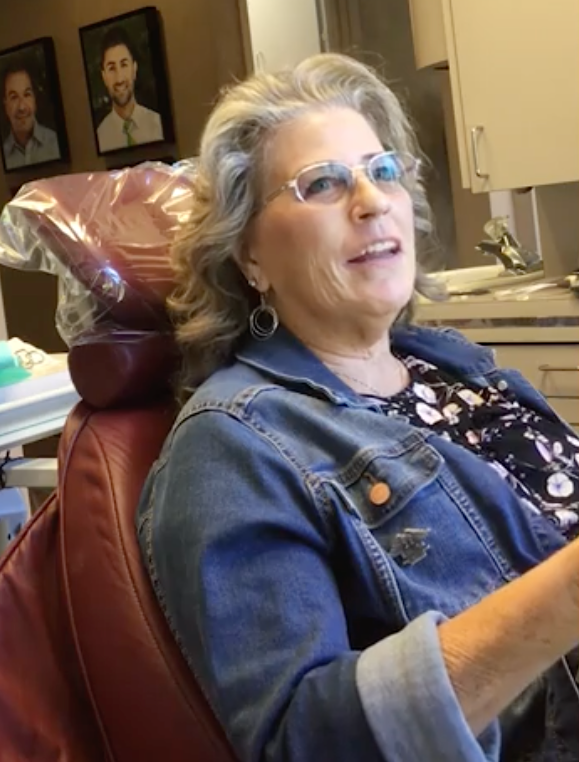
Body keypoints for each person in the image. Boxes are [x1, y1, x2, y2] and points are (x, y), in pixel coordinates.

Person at [137, 54, 579, 761]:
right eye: (322, 183)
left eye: (382, 172)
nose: (372, 201)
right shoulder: (230, 447)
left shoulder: (453, 363)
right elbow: (305, 743)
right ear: (249, 253)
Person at [96, 26, 164, 152]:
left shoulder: (158, 125)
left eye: (124, 65)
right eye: (111, 68)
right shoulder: (100, 136)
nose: (119, 78)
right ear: (104, 76)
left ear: (134, 69)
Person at [1, 63, 60, 170]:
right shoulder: (0, 158)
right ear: (5, 105)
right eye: (14, 97)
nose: (22, 107)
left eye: (27, 94)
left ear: (34, 99)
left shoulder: (55, 144)